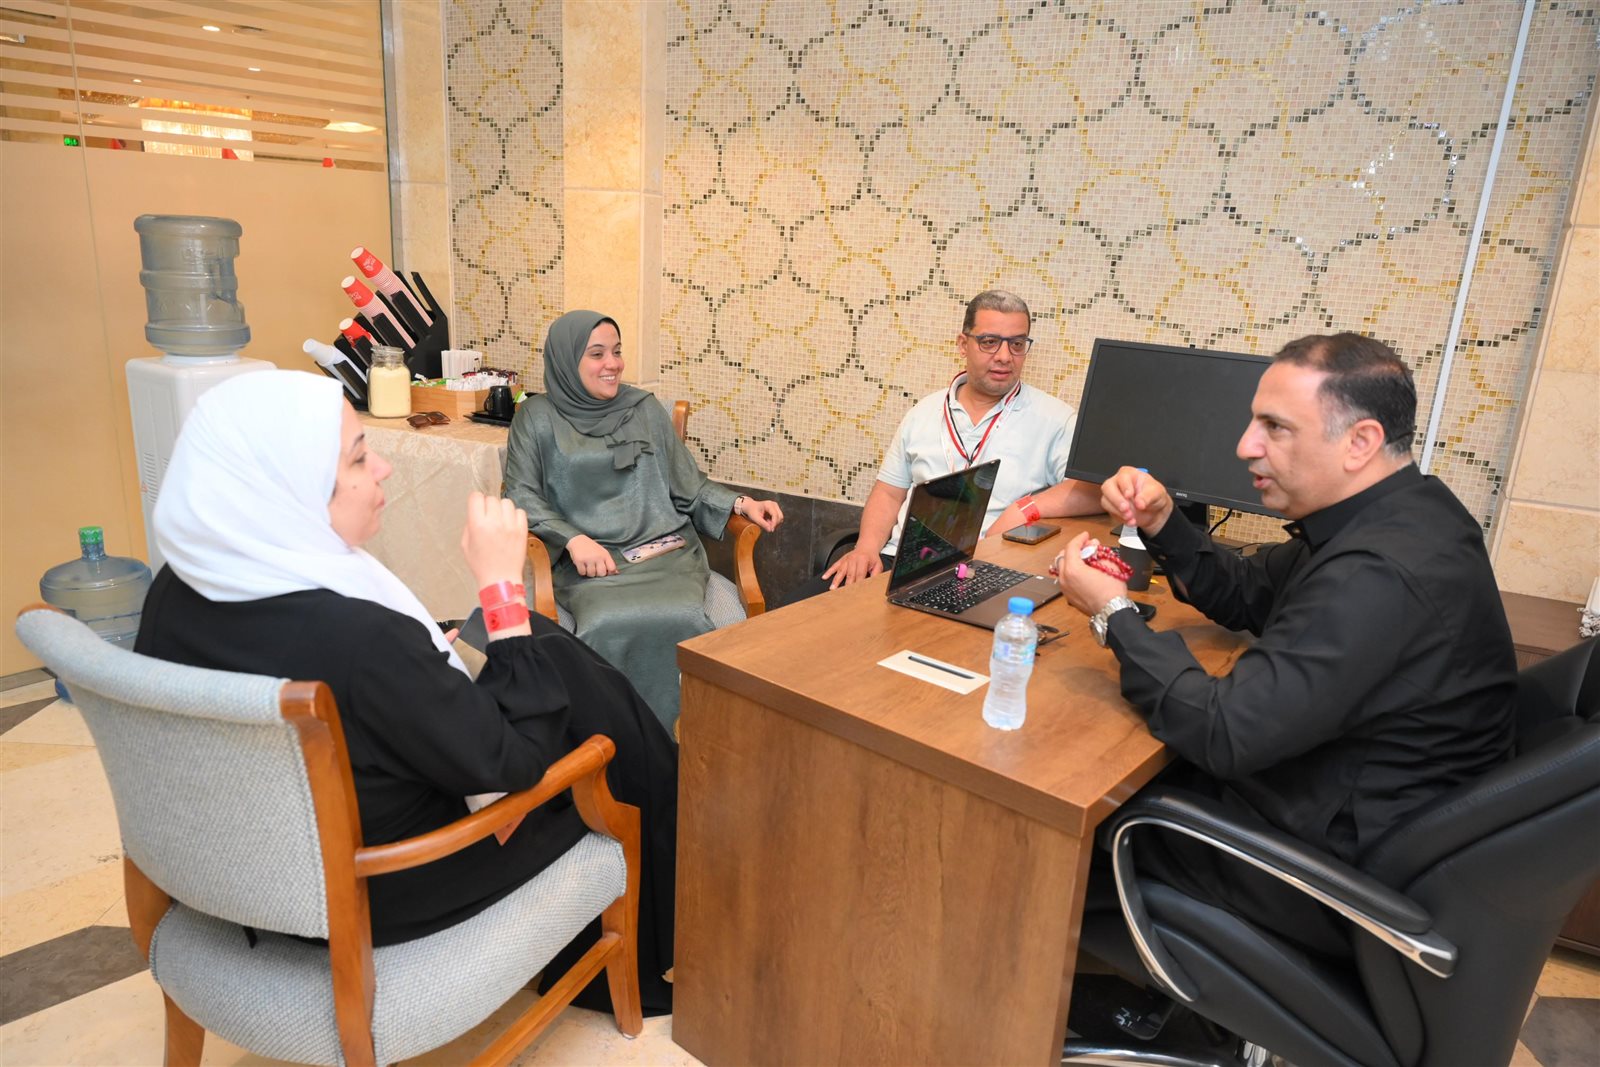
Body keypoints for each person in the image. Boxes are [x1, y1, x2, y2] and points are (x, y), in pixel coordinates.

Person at [135, 370, 679, 1016]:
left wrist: (423, 667)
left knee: (550, 656)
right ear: (290, 488)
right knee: (599, 720)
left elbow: (352, 688)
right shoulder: (362, 641)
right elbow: (516, 762)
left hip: (241, 874)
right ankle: (661, 910)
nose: (384, 468)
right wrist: (502, 589)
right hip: (391, 884)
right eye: (358, 458)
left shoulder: (174, 590)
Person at [1055, 332, 1517, 957]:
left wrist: (1112, 611)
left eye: (1275, 427)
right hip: (1336, 807)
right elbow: (1251, 593)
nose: (1246, 445)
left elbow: (1225, 732)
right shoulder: (1403, 514)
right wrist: (1163, 522)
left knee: (1059, 820)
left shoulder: (1377, 573)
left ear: (1360, 442)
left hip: (1326, 873)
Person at [503, 310, 783, 730]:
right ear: (565, 360)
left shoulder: (644, 409)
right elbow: (521, 495)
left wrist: (742, 504)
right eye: (597, 354)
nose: (612, 364)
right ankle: (611, 741)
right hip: (591, 566)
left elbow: (689, 486)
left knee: (684, 614)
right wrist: (573, 539)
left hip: (665, 555)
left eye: (616, 352)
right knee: (605, 622)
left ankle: (691, 739)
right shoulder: (535, 417)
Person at [810, 290, 1100, 594]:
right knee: (797, 612)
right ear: (963, 344)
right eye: (989, 341)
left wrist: (1024, 508)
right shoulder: (924, 411)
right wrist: (866, 549)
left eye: (1016, 344)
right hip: (901, 565)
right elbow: (889, 492)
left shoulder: (1055, 419)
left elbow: (1093, 491)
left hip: (990, 571)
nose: (1004, 356)